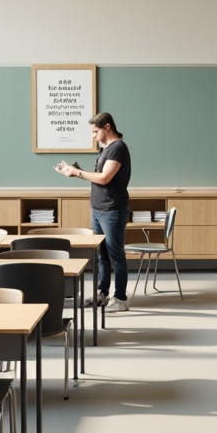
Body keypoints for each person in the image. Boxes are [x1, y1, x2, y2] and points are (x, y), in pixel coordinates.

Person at [55, 112, 132, 313]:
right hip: (99, 210)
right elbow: (99, 177)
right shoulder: (106, 149)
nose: (93, 135)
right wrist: (75, 171)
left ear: (107, 127)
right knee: (102, 254)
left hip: (112, 210)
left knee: (116, 254)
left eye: (95, 131)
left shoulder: (118, 148)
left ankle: (121, 299)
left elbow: (105, 178)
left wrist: (78, 173)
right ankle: (102, 294)